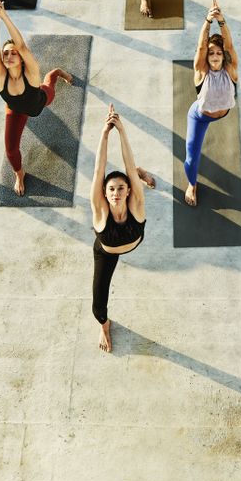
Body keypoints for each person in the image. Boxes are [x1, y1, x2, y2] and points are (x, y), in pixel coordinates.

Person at [90, 104, 157, 353]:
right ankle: (105, 327)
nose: (116, 192)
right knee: (98, 307)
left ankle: (141, 174)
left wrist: (122, 131)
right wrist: (105, 133)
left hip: (129, 239)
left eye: (121, 188)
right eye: (111, 189)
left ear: (129, 190)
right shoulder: (100, 211)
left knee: (132, 171)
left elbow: (128, 168)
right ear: (104, 195)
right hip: (106, 252)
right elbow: (99, 170)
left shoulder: (135, 205)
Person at [0, 0, 72, 195]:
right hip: (16, 110)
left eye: (13, 53)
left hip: (40, 100)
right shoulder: (1, 77)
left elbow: (23, 46)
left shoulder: (31, 74)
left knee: (49, 79)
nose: (8, 56)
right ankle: (20, 174)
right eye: (6, 53)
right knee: (10, 150)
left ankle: (58, 71)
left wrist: (5, 16)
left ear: (21, 58)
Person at [184, 0, 238, 206]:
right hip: (199, 116)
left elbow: (230, 46)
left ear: (223, 57)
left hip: (223, 113)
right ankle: (192, 184)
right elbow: (200, 48)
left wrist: (222, 21)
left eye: (218, 53)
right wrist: (208, 21)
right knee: (191, 159)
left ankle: (192, 183)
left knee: (193, 156)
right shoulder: (201, 72)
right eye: (211, 53)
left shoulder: (230, 70)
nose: (214, 55)